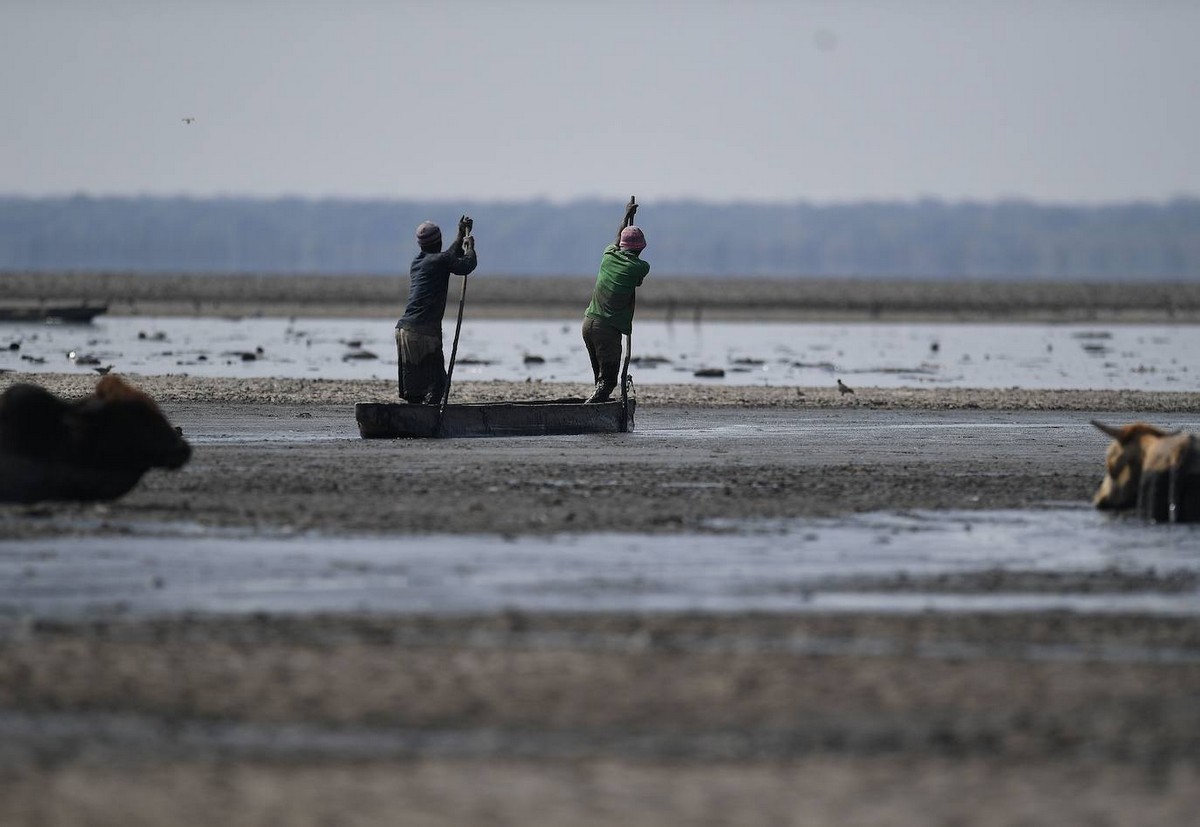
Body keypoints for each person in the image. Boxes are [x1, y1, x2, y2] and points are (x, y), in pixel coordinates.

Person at [395, 215, 477, 404]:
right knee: (439, 383)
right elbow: (466, 265)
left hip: (404, 331)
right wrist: (470, 248)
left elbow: (448, 257)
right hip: (423, 332)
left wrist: (460, 233)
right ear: (438, 241)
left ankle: (415, 419)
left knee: (414, 390)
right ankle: (430, 423)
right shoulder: (439, 261)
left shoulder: (417, 263)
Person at [581, 198, 649, 403]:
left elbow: (617, 239)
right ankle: (589, 411)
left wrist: (626, 215)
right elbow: (637, 281)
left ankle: (597, 408)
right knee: (608, 382)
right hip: (607, 330)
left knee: (599, 379)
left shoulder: (608, 255)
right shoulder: (640, 267)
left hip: (588, 324)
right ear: (640, 249)